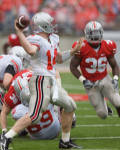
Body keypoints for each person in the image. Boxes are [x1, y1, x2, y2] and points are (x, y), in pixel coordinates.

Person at [0, 12, 83, 150]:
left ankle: (65, 142)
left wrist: (73, 51)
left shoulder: (54, 38)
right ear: (43, 26)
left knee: (70, 106)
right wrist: (19, 32)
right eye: (50, 23)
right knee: (34, 115)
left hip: (51, 81)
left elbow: (59, 58)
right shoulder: (35, 39)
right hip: (40, 81)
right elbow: (31, 51)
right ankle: (6, 138)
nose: (53, 25)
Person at [70, 21, 120, 120]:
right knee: (103, 114)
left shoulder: (108, 46)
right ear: (87, 33)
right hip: (90, 83)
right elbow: (73, 67)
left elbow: (114, 66)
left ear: (101, 33)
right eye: (92, 33)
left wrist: (115, 78)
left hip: (105, 78)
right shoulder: (81, 47)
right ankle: (104, 106)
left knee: (118, 101)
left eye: (97, 33)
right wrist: (83, 80)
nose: (95, 36)